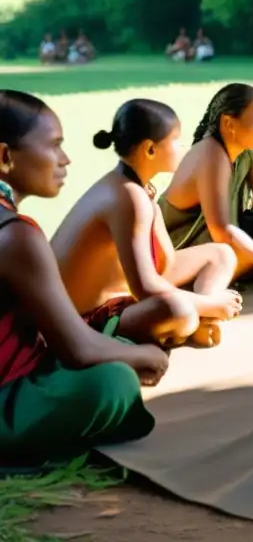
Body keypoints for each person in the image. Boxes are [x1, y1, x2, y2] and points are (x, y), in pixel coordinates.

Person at [0, 90, 167, 466]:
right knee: (114, 381)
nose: (65, 159)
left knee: (112, 342)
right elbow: (79, 350)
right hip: (7, 397)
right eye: (55, 146)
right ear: (5, 157)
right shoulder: (15, 236)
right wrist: (146, 356)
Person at [51, 99, 241, 350]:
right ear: (150, 150)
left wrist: (153, 206)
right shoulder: (126, 196)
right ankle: (196, 319)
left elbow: (165, 262)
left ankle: (200, 321)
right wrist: (210, 303)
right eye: (176, 140)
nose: (183, 148)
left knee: (221, 254)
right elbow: (146, 288)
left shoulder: (136, 188)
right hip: (86, 319)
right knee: (180, 311)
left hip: (123, 293)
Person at [158, 83, 253, 285]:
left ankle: (252, 269)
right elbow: (222, 231)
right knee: (232, 253)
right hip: (177, 255)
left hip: (217, 248)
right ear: (229, 123)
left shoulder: (246, 156)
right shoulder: (211, 154)